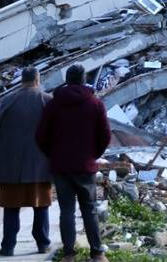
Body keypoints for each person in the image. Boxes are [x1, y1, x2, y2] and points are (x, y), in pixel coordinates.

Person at [36, 64, 110, 262]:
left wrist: (53, 155)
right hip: (85, 166)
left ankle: (69, 254)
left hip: (61, 167)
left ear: (66, 80)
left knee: (66, 211)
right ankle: (97, 254)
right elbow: (105, 136)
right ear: (84, 79)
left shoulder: (53, 104)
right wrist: (92, 155)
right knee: (89, 209)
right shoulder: (95, 103)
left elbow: (41, 136)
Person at [0, 67, 53, 257]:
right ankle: (43, 244)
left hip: (11, 165)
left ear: (22, 80)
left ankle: (7, 246)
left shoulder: (8, 100)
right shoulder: (47, 100)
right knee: (41, 206)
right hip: (39, 164)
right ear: (37, 80)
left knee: (11, 207)